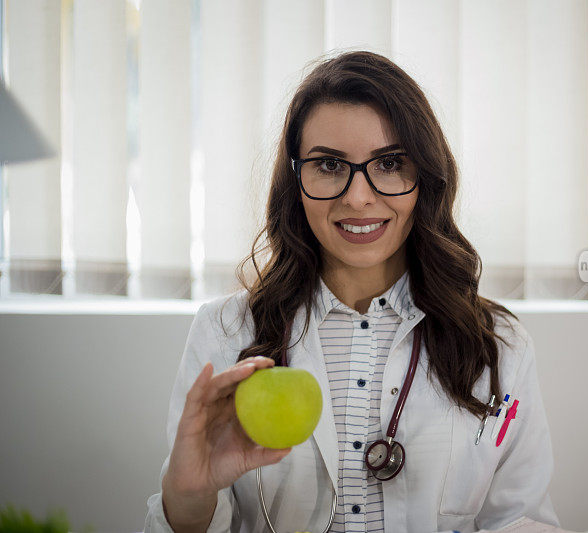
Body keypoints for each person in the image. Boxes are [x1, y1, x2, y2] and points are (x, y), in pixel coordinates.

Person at [144, 50, 559, 533]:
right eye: (328, 165)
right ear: (296, 181)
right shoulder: (225, 332)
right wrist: (189, 494)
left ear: (424, 177)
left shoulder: (499, 343)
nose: (358, 197)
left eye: (388, 163)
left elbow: (520, 518)